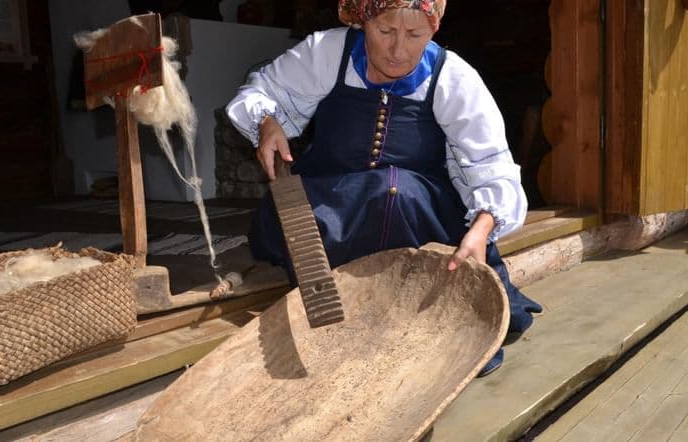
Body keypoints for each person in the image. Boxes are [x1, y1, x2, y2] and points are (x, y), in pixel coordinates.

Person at [227, 0, 541, 377]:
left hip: (414, 214)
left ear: (434, 29)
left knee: (394, 189)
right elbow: (261, 89)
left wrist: (482, 228)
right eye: (385, 32)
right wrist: (266, 122)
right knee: (322, 209)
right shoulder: (329, 52)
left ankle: (417, 325)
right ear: (364, 20)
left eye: (414, 35)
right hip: (333, 206)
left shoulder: (451, 77)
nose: (398, 50)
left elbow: (490, 164)